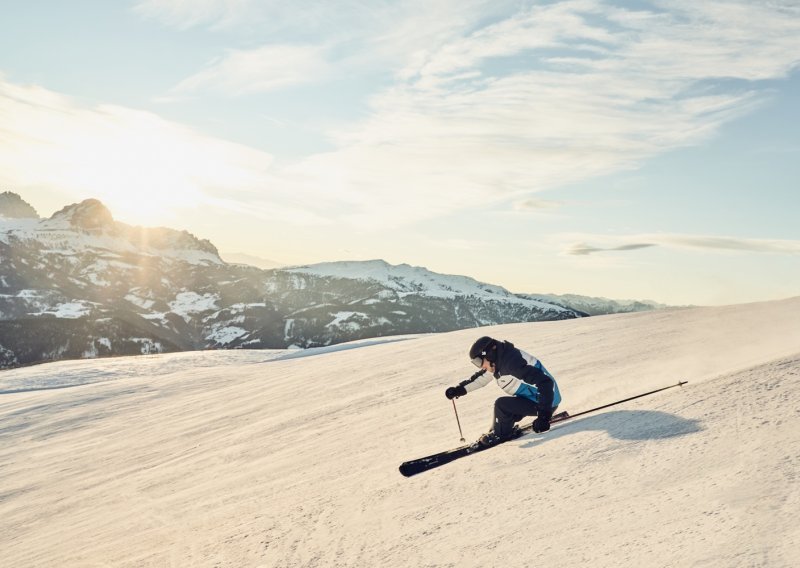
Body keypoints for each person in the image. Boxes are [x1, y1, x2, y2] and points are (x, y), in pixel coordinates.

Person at [445, 336, 562, 447]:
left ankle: (500, 435)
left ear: (489, 354)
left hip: (547, 402)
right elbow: (481, 379)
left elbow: (545, 382)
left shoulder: (512, 364)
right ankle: (499, 430)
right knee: (503, 410)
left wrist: (544, 416)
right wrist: (459, 390)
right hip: (536, 399)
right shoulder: (498, 362)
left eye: (479, 361)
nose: (481, 366)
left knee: (502, 405)